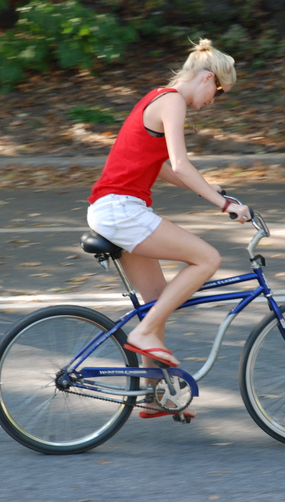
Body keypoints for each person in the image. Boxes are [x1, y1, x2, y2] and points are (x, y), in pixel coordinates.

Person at [86, 39, 249, 419]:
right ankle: (143, 337)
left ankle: (153, 395)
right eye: (218, 92)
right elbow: (180, 164)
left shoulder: (158, 97)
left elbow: (157, 166)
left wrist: (209, 188)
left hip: (113, 209)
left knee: (157, 302)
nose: (214, 101)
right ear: (207, 78)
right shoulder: (173, 101)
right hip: (121, 210)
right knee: (208, 259)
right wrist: (224, 204)